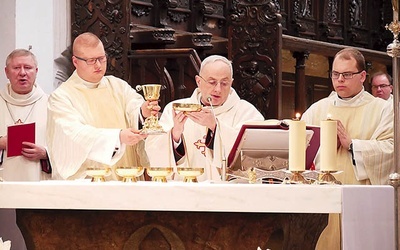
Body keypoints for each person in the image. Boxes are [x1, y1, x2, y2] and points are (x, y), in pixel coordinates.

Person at [301, 47, 394, 249]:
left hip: (362, 202)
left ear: (362, 76)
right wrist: (325, 146)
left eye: (346, 74)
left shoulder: (382, 109)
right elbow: (299, 156)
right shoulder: (318, 109)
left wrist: (352, 145)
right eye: (335, 74)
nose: (340, 79)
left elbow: (392, 150)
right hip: (323, 203)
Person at [47, 32, 160, 180]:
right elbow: (74, 135)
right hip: (90, 184)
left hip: (127, 178)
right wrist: (118, 137)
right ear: (75, 61)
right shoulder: (61, 97)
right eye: (91, 60)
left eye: (101, 58)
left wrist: (143, 112)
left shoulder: (117, 85)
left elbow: (134, 108)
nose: (98, 65)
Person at [145, 55, 264, 181]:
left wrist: (215, 127)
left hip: (227, 195)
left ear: (231, 83)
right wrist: (175, 136)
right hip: (185, 192)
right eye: (212, 82)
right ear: (198, 81)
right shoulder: (175, 109)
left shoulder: (246, 112)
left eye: (224, 83)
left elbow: (254, 157)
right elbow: (154, 152)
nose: (218, 89)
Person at [0, 49, 52, 250]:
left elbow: (66, 146)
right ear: (6, 71)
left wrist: (46, 153)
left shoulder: (51, 104)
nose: (22, 72)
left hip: (38, 180)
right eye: (16, 67)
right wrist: (2, 142)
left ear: (36, 71)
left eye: (28, 67)